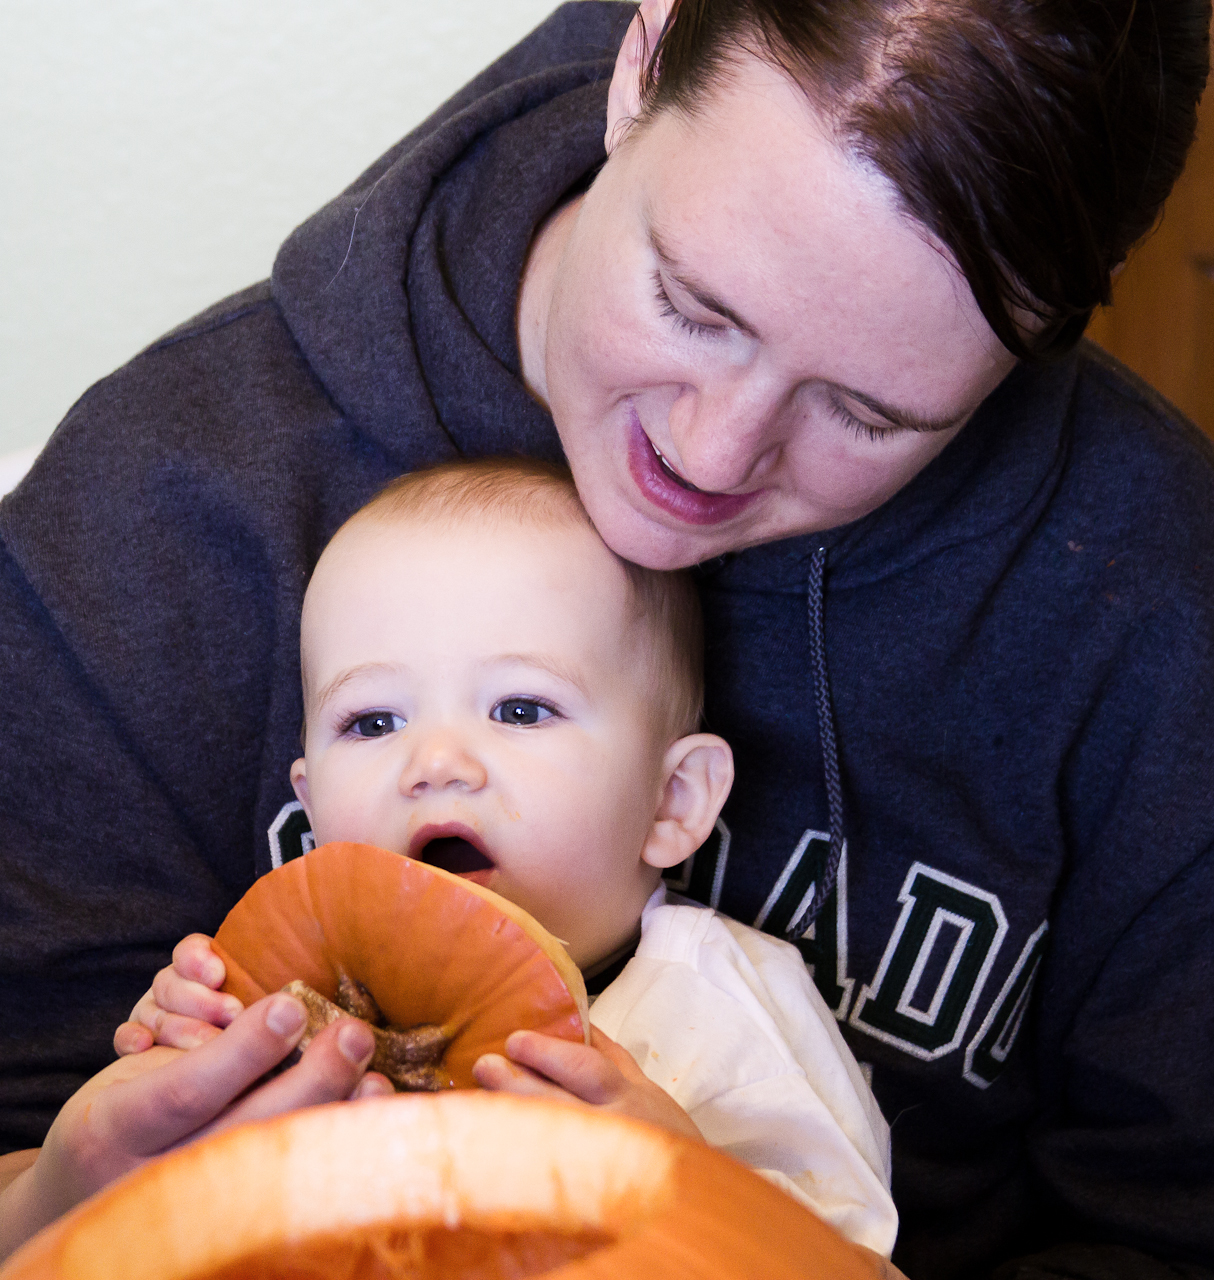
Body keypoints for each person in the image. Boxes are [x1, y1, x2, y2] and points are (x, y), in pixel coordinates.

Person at [0, 0, 1209, 1275]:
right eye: (692, 305)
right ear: (640, 62)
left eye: (867, 413)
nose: (711, 452)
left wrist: (721, 1229)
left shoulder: (1157, 608)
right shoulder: (152, 511)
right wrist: (62, 1196)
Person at [0, 457, 899, 1258]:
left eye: (520, 710)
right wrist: (189, 1069)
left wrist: (690, 1180)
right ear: (311, 810)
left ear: (673, 802)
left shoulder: (727, 1002)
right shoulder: (285, 1004)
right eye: (373, 722)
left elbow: (852, 1258)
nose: (433, 763)